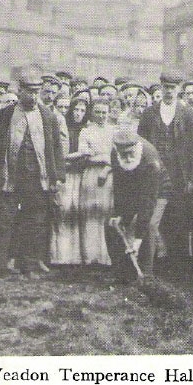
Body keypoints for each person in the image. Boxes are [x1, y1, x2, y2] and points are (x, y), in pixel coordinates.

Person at [0, 75, 65, 279]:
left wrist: (57, 177)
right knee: (4, 220)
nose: (33, 95)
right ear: (20, 90)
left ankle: (29, 265)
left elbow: (56, 147)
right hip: (10, 175)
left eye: (36, 91)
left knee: (35, 222)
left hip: (38, 177)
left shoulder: (48, 116)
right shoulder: (5, 115)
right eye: (29, 91)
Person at [138, 72, 193, 273]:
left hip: (179, 173)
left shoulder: (187, 113)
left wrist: (191, 177)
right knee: (153, 216)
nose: (168, 91)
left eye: (172, 88)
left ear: (178, 90)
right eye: (165, 87)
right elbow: (141, 143)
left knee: (178, 217)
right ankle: (153, 264)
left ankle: (178, 265)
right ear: (161, 88)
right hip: (155, 173)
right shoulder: (149, 113)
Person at [107, 130, 162, 282]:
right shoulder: (115, 154)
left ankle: (146, 276)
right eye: (124, 155)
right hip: (132, 191)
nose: (128, 158)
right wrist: (119, 214)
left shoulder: (151, 161)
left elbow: (148, 201)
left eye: (131, 153)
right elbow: (119, 186)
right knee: (113, 224)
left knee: (149, 226)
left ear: (137, 147)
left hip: (158, 191)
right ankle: (121, 273)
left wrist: (137, 240)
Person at [50, 97, 90, 265]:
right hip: (65, 175)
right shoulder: (62, 127)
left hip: (80, 174)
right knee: (63, 212)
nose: (78, 113)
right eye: (76, 109)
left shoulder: (87, 130)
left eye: (82, 110)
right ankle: (60, 255)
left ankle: (77, 256)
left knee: (78, 214)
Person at [78, 98, 114, 266]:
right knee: (90, 215)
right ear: (92, 113)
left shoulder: (114, 131)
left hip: (109, 176)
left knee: (106, 214)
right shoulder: (86, 132)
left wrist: (104, 161)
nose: (101, 116)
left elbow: (116, 156)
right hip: (91, 176)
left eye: (104, 112)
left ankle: (107, 256)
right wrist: (103, 158)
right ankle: (91, 257)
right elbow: (84, 156)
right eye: (98, 112)